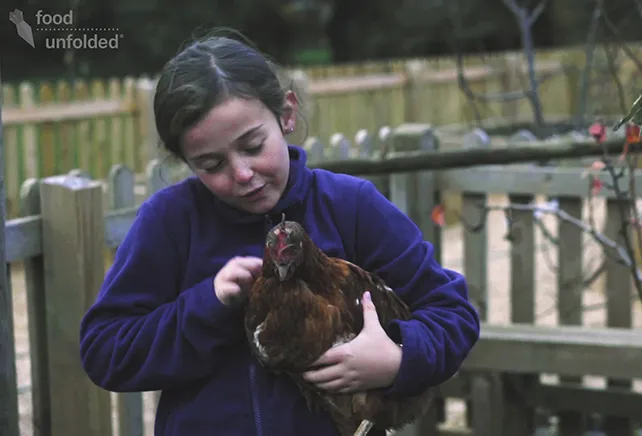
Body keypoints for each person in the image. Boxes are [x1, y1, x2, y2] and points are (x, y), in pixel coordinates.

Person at [79, 29, 481, 436]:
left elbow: (452, 313)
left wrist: (397, 357)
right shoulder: (169, 222)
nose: (242, 173)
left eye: (253, 146)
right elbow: (105, 350)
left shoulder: (349, 206)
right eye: (212, 164)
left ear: (286, 114)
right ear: (186, 160)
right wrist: (207, 305)